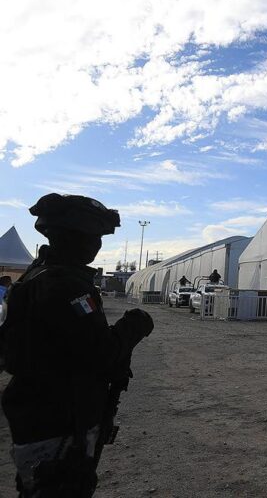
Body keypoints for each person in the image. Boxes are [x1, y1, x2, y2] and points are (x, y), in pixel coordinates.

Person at [0, 193, 155, 496]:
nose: (97, 245)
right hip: (59, 419)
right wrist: (134, 325)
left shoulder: (36, 276)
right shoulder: (65, 285)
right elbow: (102, 355)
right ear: (77, 238)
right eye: (94, 237)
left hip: (36, 412)